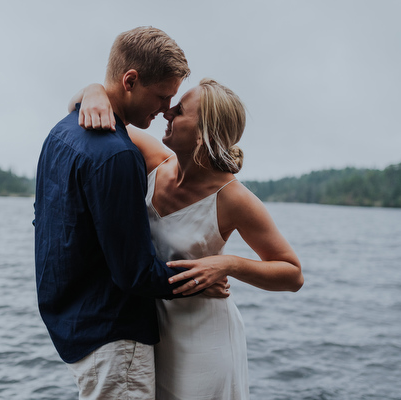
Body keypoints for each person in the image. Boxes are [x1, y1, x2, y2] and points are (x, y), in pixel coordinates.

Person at [73, 78, 304, 399]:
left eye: (179, 111)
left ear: (204, 134)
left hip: (204, 340)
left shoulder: (234, 198)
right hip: (148, 330)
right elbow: (81, 108)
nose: (166, 113)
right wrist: (95, 89)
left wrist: (228, 264)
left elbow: (292, 274)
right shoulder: (153, 160)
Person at [34, 27, 228, 400]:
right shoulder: (118, 155)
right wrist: (202, 280)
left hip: (74, 324)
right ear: (130, 80)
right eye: (161, 96)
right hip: (114, 337)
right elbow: (135, 273)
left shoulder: (61, 133)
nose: (166, 109)